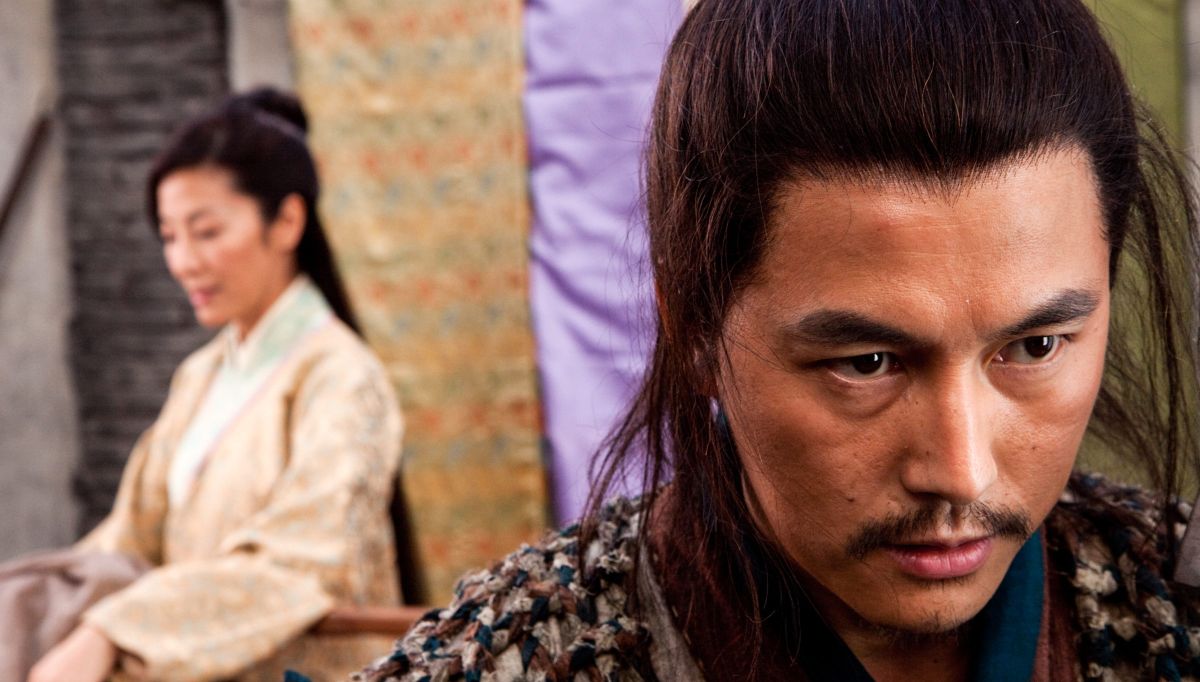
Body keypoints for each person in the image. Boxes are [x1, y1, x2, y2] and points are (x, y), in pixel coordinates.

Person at [354, 1, 1200, 680]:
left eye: (1036, 347)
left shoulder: (1174, 608)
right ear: (693, 328)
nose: (960, 471)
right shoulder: (506, 659)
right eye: (867, 364)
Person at [25, 88, 404, 681]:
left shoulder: (343, 379)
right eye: (170, 235)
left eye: (205, 232)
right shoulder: (201, 376)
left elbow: (304, 562)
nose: (183, 261)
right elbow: (128, 543)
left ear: (287, 222)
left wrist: (112, 632)